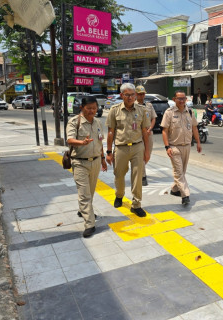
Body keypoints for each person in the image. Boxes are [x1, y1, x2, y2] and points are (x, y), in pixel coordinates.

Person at [105, 83, 150, 218]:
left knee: (137, 177)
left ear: (135, 95)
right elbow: (110, 132)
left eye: (132, 95)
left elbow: (145, 132)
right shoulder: (114, 110)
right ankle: (119, 195)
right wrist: (108, 152)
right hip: (121, 147)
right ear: (121, 95)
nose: (130, 97)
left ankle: (136, 204)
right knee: (119, 175)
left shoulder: (142, 110)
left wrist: (147, 151)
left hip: (137, 147)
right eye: (127, 95)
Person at [67, 97, 107, 238]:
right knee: (84, 193)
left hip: (95, 161)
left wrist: (102, 159)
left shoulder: (97, 122)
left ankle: (82, 211)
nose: (92, 111)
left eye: (94, 108)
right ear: (82, 107)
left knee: (90, 190)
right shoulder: (74, 122)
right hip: (79, 162)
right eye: (89, 108)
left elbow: (100, 141)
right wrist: (82, 143)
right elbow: (69, 139)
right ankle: (89, 224)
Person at [161, 90, 202, 205]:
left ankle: (175, 189)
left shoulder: (190, 111)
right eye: (179, 98)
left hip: (187, 146)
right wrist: (167, 147)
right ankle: (185, 195)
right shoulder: (169, 112)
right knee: (179, 172)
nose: (182, 100)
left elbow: (194, 128)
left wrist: (198, 142)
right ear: (174, 99)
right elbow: (165, 131)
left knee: (182, 171)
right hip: (174, 146)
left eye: (183, 98)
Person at [135, 85, 157, 186]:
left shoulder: (149, 105)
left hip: (148, 133)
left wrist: (150, 128)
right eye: (139, 94)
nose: (141, 96)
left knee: (147, 154)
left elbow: (153, 118)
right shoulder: (133, 106)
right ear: (136, 94)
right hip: (138, 134)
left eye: (143, 94)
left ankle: (139, 169)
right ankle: (143, 176)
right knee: (140, 155)